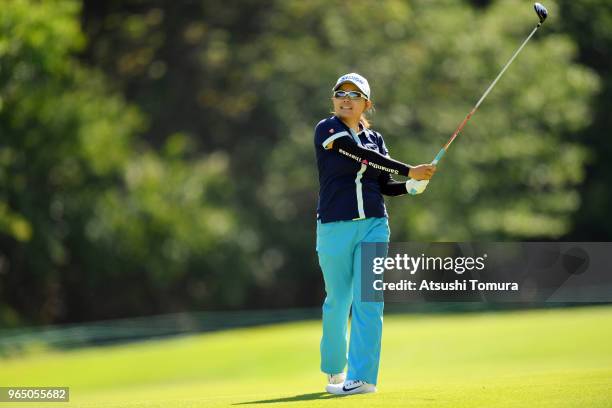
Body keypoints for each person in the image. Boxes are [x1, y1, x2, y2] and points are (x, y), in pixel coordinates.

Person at [314, 73, 435, 395]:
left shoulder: (375, 139)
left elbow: (383, 185)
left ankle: (363, 378)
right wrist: (408, 169)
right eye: (340, 93)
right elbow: (357, 155)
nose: (345, 99)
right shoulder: (327, 130)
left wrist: (409, 187)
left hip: (374, 225)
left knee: (369, 299)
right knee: (338, 301)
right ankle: (334, 371)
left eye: (354, 95)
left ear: (367, 103)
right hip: (334, 227)